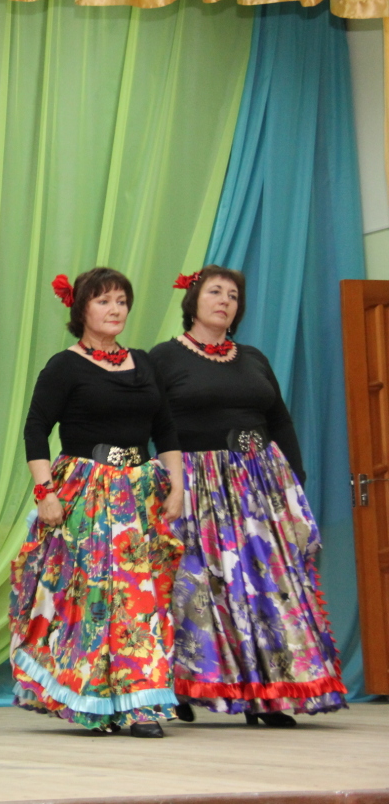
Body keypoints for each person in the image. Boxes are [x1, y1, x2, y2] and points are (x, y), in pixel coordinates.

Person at [151, 266, 346, 726]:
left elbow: (279, 422)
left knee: (266, 588)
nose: (224, 300)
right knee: (196, 590)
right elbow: (150, 423)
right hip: (197, 485)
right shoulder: (163, 358)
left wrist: (291, 482)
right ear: (192, 301)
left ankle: (270, 693)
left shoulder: (254, 357)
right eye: (214, 292)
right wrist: (161, 483)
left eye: (233, 295)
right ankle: (180, 684)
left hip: (259, 485)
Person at [11, 267, 184, 738]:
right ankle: (92, 701)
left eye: (122, 301)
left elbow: (165, 429)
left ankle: (141, 703)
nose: (115, 310)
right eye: (104, 301)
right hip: (85, 491)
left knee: (141, 598)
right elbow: (35, 430)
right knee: (93, 599)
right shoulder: (64, 365)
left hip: (139, 492)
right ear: (81, 309)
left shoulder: (145, 363)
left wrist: (177, 484)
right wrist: (45, 493)